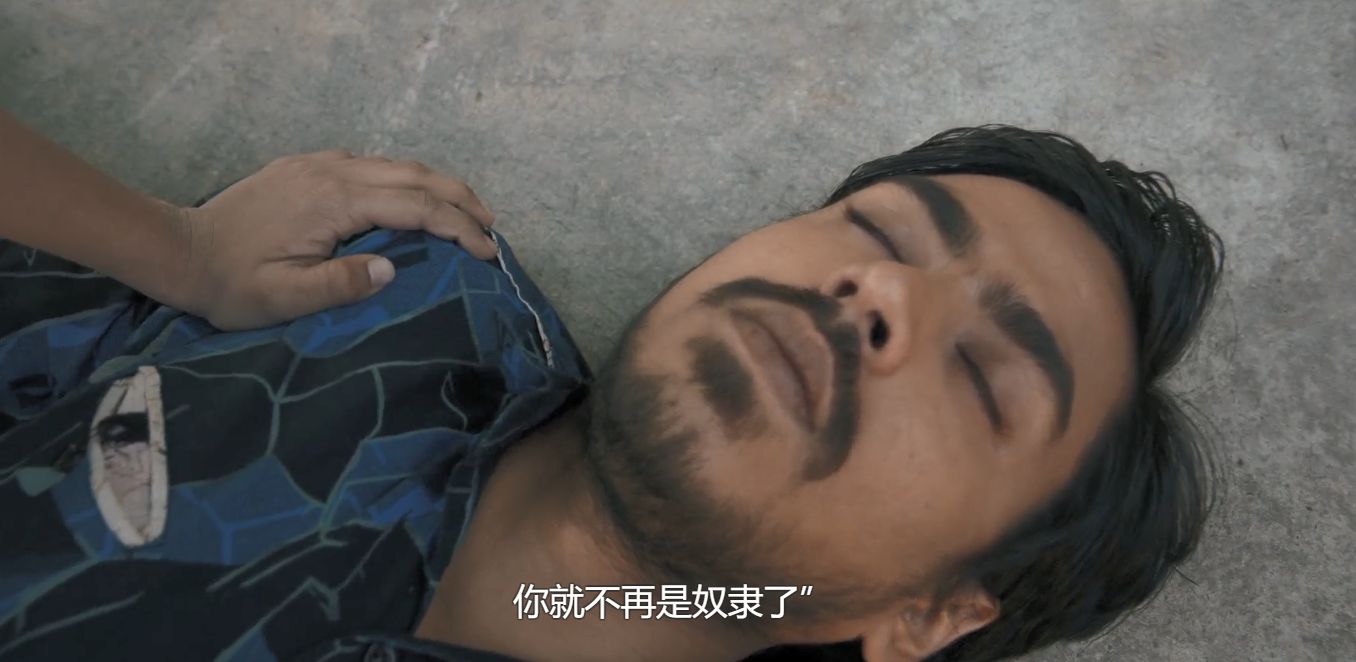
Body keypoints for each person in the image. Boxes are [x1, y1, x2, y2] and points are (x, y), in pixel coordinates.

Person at [0, 109, 1222, 661]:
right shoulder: (400, 279)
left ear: (933, 612)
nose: (883, 290)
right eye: (882, 229)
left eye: (986, 376)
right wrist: (175, 245)